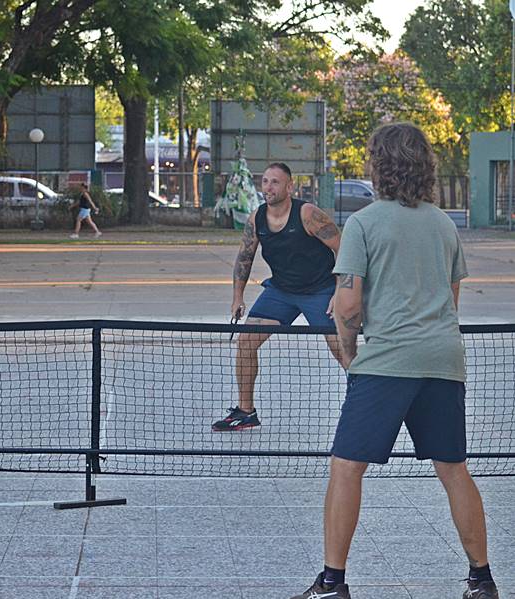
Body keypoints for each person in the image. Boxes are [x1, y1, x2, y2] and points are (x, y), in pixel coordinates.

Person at [292, 123, 500, 599]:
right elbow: (450, 297)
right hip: (443, 359)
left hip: (386, 362)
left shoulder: (364, 224)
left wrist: (350, 356)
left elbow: (346, 307)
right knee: (454, 469)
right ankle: (482, 579)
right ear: (424, 166)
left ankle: (332, 583)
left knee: (347, 467)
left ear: (378, 165)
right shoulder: (445, 224)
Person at [213, 162, 343, 431]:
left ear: (289, 186)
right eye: (265, 182)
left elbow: (343, 248)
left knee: (342, 349)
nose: (268, 187)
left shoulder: (308, 214)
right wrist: (237, 296)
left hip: (320, 289)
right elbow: (245, 257)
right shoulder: (256, 218)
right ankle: (246, 412)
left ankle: (363, 404)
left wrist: (341, 291)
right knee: (246, 342)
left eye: (275, 182)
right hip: (281, 291)